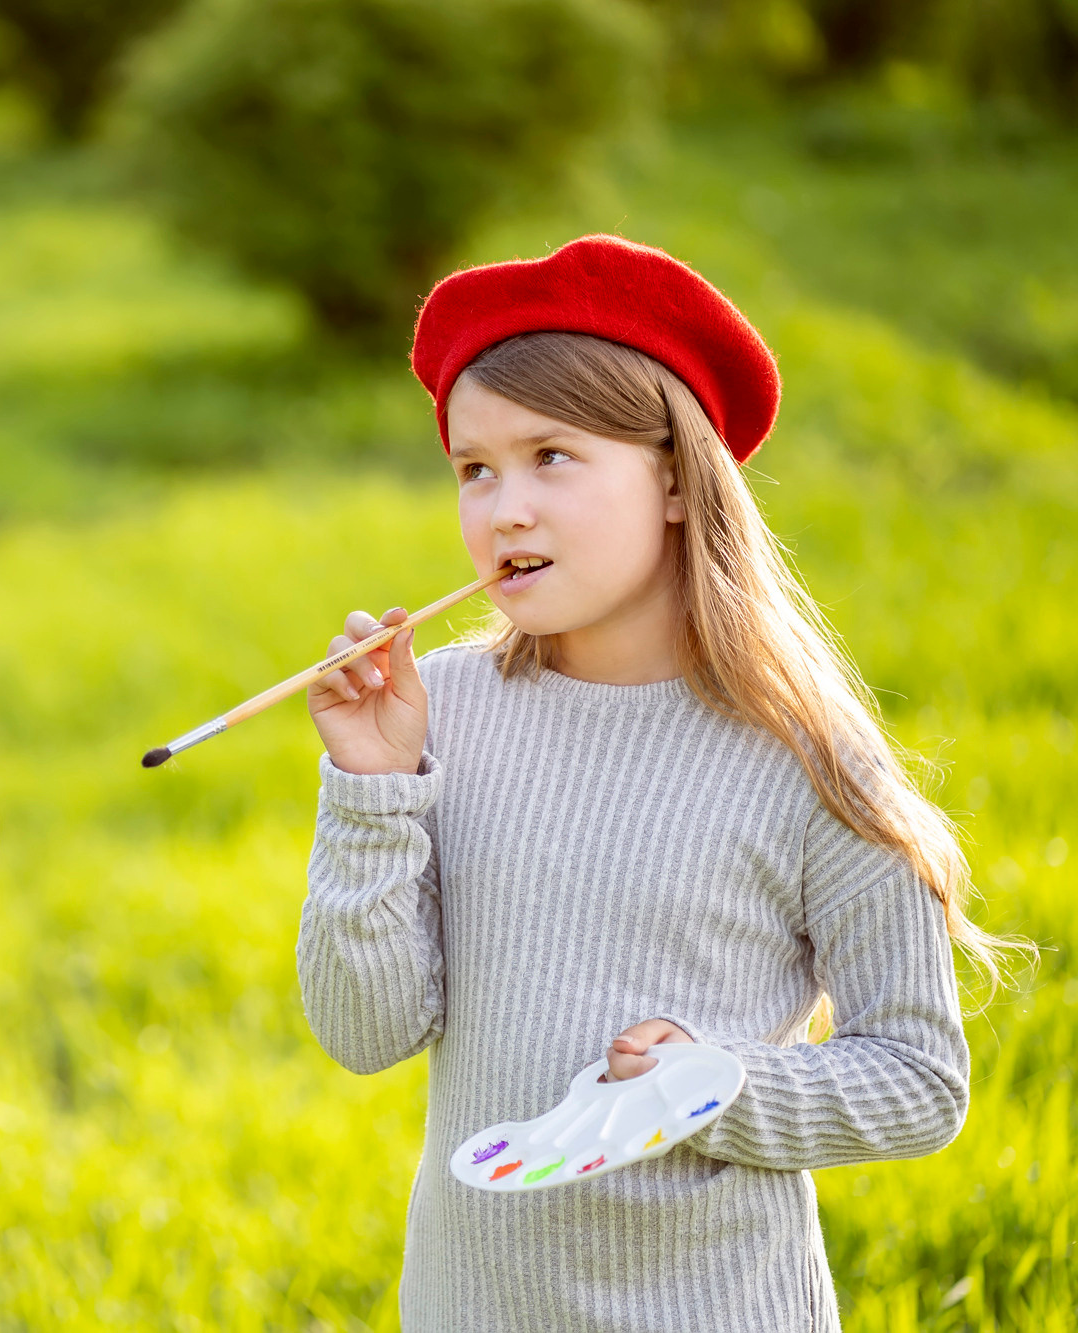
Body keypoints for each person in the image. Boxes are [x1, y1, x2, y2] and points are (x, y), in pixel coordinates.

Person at [299, 234, 1005, 1331]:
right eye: (473, 468)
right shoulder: (432, 713)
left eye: (551, 456)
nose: (503, 507)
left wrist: (710, 1087)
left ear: (675, 480)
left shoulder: (802, 754)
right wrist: (370, 789)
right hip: (469, 1306)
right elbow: (362, 1029)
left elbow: (917, 1080)